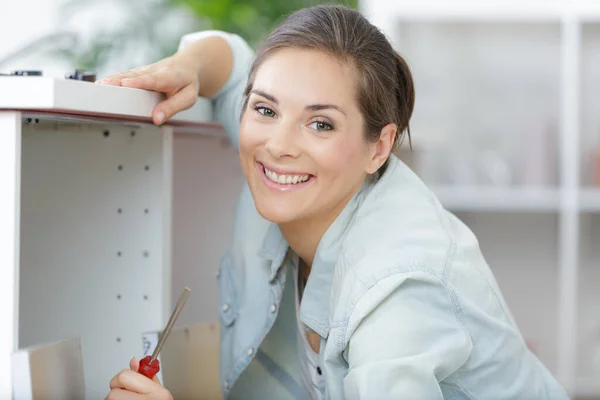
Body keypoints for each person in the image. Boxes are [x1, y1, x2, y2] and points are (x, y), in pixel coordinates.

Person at [101, 5, 569, 400]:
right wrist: (189, 65)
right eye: (265, 109)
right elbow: (229, 59)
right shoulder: (282, 161)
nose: (279, 145)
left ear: (379, 147)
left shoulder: (400, 291)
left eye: (320, 124)